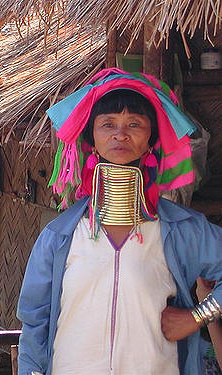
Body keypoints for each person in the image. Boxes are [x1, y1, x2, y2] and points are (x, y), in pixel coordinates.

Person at [17, 68, 222, 375]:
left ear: (150, 139)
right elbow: (34, 321)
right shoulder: (60, 236)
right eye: (107, 124)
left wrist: (196, 317)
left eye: (134, 124)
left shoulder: (182, 231)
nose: (120, 134)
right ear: (92, 140)